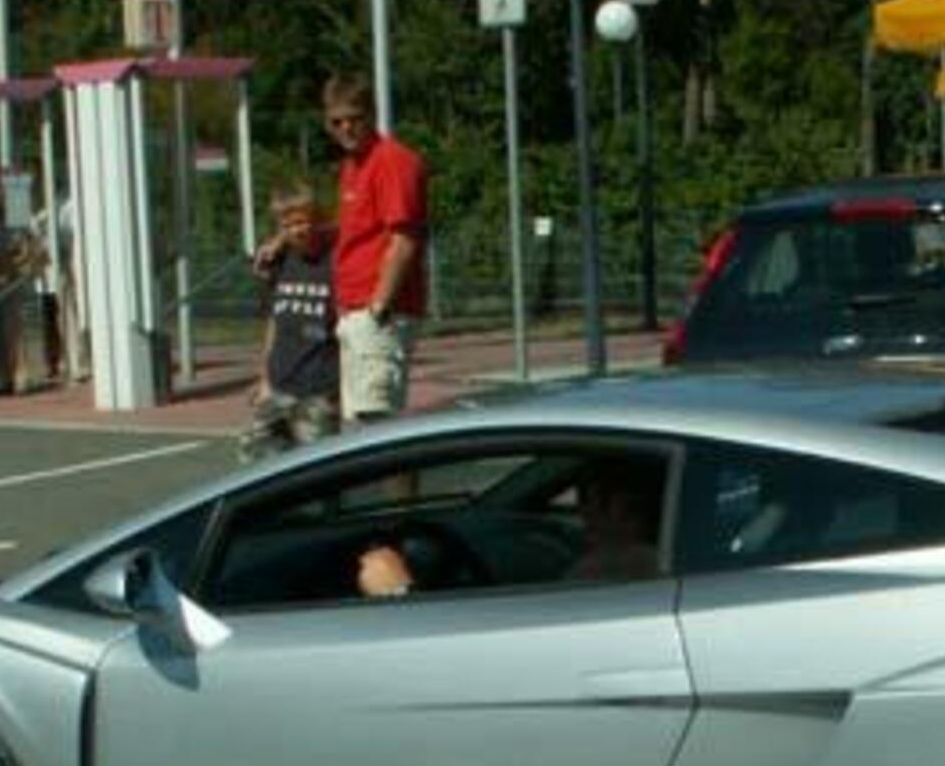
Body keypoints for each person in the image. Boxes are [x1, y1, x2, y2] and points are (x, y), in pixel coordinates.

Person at [355, 454, 662, 599]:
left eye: (586, 498)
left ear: (622, 507)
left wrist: (398, 593)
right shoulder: (668, 564)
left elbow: (516, 656)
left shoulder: (610, 574)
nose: (582, 514)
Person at [326, 74, 428, 428]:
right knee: (365, 425)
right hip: (354, 312)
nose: (346, 128)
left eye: (354, 118)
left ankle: (403, 486)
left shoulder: (391, 161)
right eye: (337, 121)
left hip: (378, 313)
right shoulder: (353, 166)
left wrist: (379, 306)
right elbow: (354, 232)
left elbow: (404, 238)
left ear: (371, 115)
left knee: (381, 423)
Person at [237, 185, 338, 463]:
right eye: (288, 225)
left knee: (316, 468)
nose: (297, 230)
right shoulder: (281, 261)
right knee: (255, 459)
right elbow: (274, 323)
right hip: (279, 384)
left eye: (303, 221)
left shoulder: (335, 258)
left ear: (317, 219)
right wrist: (264, 378)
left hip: (319, 388)